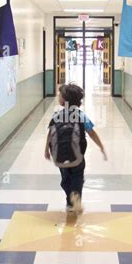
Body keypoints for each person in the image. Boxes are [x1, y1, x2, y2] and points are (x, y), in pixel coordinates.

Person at [45, 83, 106, 213]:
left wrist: (46, 150)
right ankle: (75, 197)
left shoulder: (56, 115)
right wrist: (101, 146)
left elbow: (50, 133)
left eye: (59, 95)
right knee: (77, 177)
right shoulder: (80, 115)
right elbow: (91, 132)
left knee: (65, 180)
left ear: (64, 100)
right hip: (77, 156)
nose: (58, 96)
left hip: (60, 157)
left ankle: (70, 202)